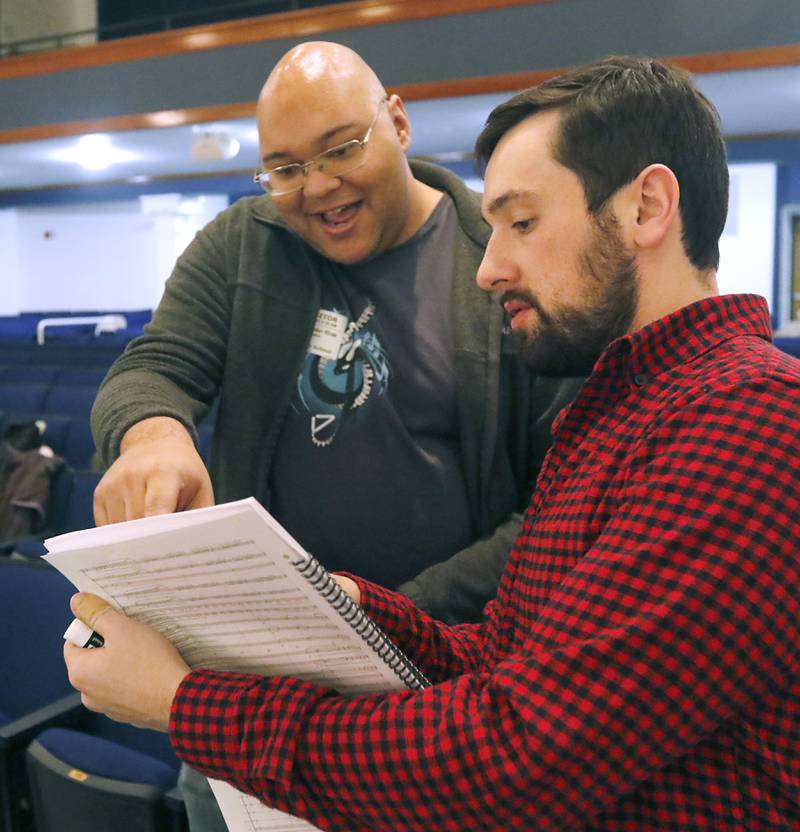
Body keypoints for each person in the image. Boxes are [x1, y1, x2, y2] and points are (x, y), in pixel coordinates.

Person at [67, 56, 800, 830]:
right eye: (285, 168)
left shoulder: (751, 423)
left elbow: (512, 759)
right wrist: (347, 606)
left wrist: (183, 704)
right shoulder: (622, 410)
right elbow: (501, 655)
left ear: (646, 207)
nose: (491, 268)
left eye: (521, 223)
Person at [88, 41, 579, 831]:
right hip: (245, 677)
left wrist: (373, 623)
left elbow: (552, 508)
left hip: (433, 686)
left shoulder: (497, 264)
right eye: (284, 168)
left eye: (341, 149)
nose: (317, 187)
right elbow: (154, 367)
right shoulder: (241, 244)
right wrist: (152, 436)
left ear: (399, 123)